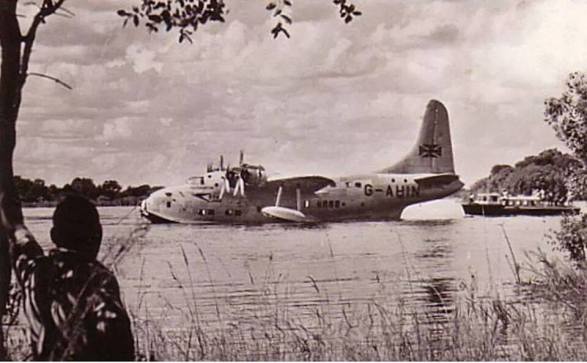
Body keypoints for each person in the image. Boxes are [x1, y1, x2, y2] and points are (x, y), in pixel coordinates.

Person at [9, 195, 134, 360]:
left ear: (54, 236)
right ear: (98, 235)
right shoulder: (98, 281)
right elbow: (121, 346)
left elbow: (19, 234)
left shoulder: (34, 274)